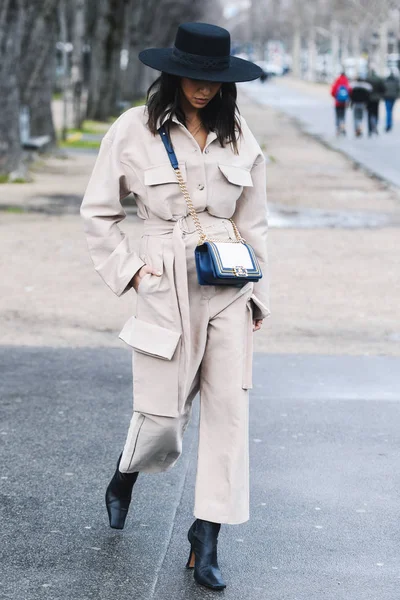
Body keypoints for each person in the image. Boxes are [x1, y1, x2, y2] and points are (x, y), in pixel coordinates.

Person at [80, 22, 269, 592]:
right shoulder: (133, 129)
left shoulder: (240, 135)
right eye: (195, 77)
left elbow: (254, 221)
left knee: (228, 417)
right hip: (165, 282)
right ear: (173, 71)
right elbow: (97, 212)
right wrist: (132, 270)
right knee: (163, 414)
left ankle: (205, 537)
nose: (204, 89)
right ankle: (125, 475)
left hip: (228, 286)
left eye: (215, 80)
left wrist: (257, 293)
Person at [331, 71, 351, 136]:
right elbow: (349, 91)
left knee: (338, 116)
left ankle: (338, 129)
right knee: (343, 116)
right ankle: (343, 126)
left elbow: (333, 92)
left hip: (337, 102)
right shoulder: (346, 82)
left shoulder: (337, 81)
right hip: (344, 103)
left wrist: (336, 97)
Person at [366, 68, 385, 136]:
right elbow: (383, 88)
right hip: (377, 99)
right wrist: (381, 95)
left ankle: (370, 129)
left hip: (369, 99)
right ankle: (375, 125)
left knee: (369, 114)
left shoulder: (368, 79)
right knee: (376, 113)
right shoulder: (379, 79)